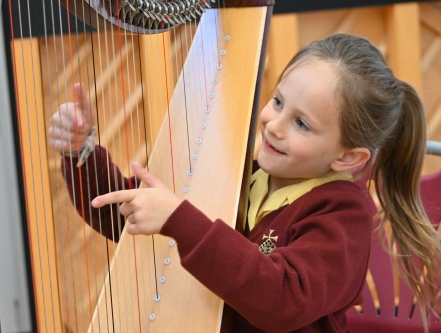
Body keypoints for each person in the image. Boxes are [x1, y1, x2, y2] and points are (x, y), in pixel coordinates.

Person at [48, 34, 441, 332]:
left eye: (301, 123)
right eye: (278, 102)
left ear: (346, 157)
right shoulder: (242, 173)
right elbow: (127, 218)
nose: (275, 124)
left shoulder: (342, 216)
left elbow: (282, 297)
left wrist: (181, 220)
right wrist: (81, 152)